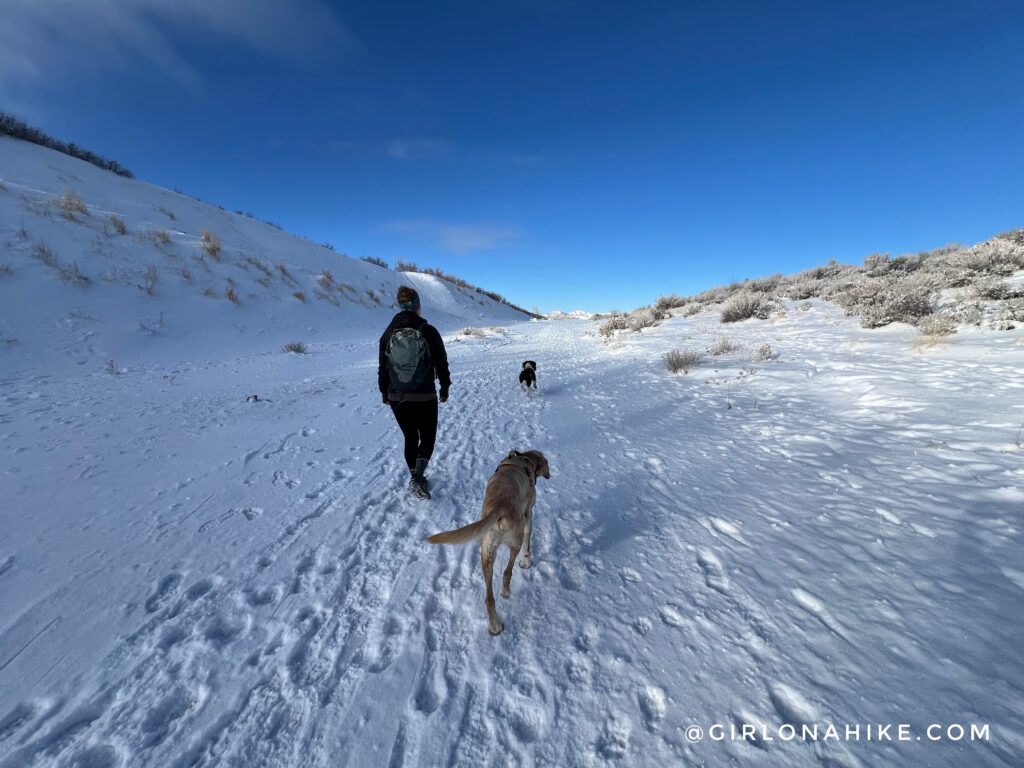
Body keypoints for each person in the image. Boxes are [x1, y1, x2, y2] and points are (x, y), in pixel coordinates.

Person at [378, 285, 451, 499]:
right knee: (427, 438)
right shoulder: (428, 330)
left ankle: (415, 477)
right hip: (425, 395)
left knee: (410, 437)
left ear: (400, 306)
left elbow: (383, 367)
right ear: (417, 305)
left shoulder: (388, 333)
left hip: (397, 397)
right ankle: (417, 478)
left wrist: (385, 393)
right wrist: (445, 387)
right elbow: (442, 362)